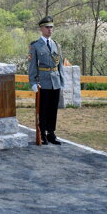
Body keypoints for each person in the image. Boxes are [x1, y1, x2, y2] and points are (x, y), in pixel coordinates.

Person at [27, 16, 66, 145]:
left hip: (55, 81)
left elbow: (60, 65)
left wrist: (62, 81)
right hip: (43, 82)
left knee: (53, 109)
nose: (50, 30)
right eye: (47, 27)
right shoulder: (35, 46)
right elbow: (32, 65)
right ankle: (42, 133)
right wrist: (32, 82)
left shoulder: (56, 45)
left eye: (51, 27)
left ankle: (51, 133)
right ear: (41, 29)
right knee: (43, 109)